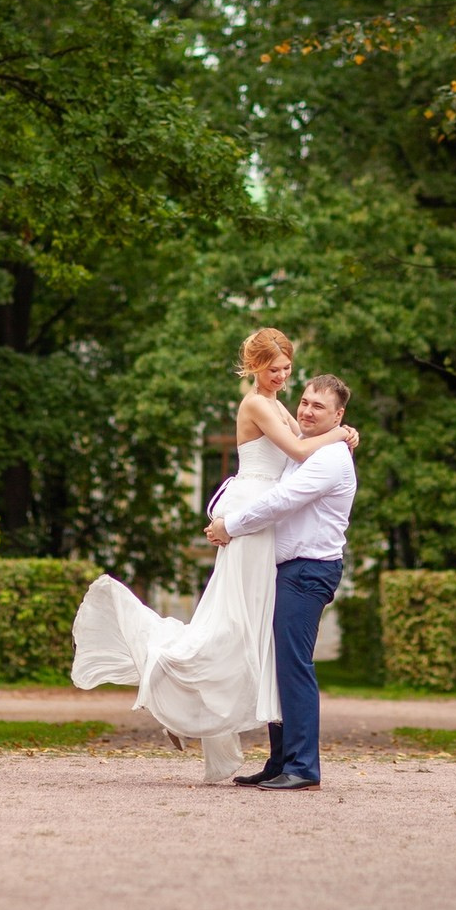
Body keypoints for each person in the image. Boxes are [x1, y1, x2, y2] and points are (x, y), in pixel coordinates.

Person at [70, 328, 358, 782]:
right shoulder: (262, 406)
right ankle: (192, 698)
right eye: (276, 370)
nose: (285, 381)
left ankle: (289, 762)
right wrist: (341, 430)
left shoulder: (307, 433)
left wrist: (340, 433)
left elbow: (291, 476)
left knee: (265, 648)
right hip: (258, 531)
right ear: (256, 367)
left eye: (287, 369)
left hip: (278, 544)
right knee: (243, 635)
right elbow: (297, 452)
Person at [204, 372, 357, 791]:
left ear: (338, 415)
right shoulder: (308, 449)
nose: (306, 411)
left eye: (318, 407)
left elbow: (280, 501)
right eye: (305, 402)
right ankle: (280, 761)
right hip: (287, 569)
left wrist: (230, 525)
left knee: (293, 665)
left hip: (309, 571)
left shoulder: (329, 459)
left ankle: (304, 766)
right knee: (275, 665)